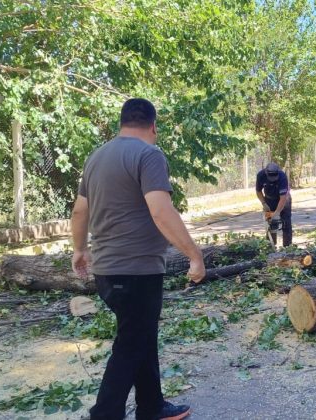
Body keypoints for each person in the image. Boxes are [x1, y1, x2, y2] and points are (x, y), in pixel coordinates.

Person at [71, 98, 204, 420]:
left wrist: (78, 250)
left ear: (123, 122)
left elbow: (79, 211)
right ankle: (105, 414)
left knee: (140, 335)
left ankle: (151, 406)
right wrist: (194, 255)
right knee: (131, 344)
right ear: (154, 126)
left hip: (106, 270)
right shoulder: (149, 155)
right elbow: (161, 210)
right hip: (136, 270)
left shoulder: (96, 157)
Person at [255, 162, 292, 247]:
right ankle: (271, 246)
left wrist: (277, 212)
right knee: (271, 223)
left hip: (283, 199)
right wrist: (264, 203)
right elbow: (258, 191)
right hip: (269, 199)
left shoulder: (282, 177)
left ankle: (287, 247)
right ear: (266, 173)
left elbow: (283, 198)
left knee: (286, 223)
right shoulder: (260, 175)